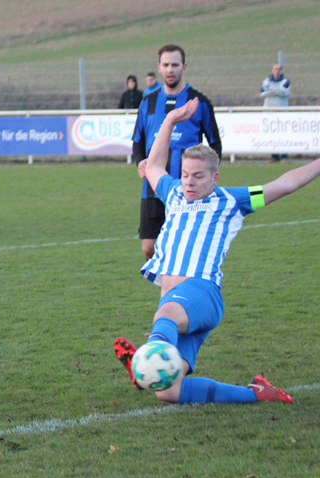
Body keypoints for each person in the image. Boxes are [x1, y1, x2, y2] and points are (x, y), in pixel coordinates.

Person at [113, 97, 311, 405]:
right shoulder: (174, 193)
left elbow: (285, 184)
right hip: (180, 305)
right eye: (185, 174)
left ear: (215, 177)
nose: (189, 182)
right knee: (168, 391)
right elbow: (153, 166)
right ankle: (257, 393)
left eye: (198, 176)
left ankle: (146, 361)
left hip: (201, 293)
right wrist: (170, 121)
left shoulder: (231, 200)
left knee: (164, 316)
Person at [132, 44, 222, 261]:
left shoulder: (199, 102)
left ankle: (176, 292)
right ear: (159, 68)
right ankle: (171, 288)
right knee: (149, 248)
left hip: (188, 187)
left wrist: (208, 175)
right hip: (154, 186)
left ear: (184, 67)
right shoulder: (147, 103)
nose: (170, 69)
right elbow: (137, 141)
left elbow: (215, 143)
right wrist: (140, 162)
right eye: (166, 65)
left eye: (175, 64)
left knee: (184, 248)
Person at [260, 63, 291, 162]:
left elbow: (284, 92)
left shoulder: (285, 81)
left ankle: (284, 156)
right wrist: (276, 91)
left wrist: (271, 90)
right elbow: (263, 92)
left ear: (281, 70)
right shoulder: (267, 81)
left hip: (282, 112)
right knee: (272, 135)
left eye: (279, 69)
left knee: (283, 134)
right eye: (275, 69)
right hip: (270, 113)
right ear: (272, 70)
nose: (277, 71)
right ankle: (274, 156)